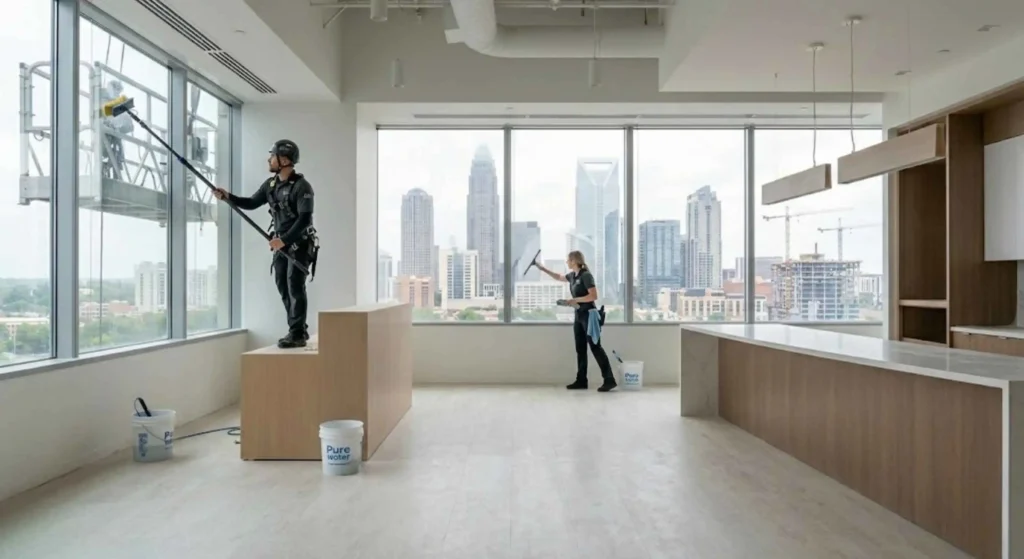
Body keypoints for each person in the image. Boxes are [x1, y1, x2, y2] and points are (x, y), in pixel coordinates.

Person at [212, 140, 318, 348]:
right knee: (282, 284)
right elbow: (251, 203)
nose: (269, 159)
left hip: (299, 244)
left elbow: (304, 220)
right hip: (280, 244)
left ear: (285, 160)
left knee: (295, 286)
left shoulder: (302, 187)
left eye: (273, 156)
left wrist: (285, 240)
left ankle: (297, 332)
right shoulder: (271, 185)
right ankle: (297, 329)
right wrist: (227, 197)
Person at [534, 251, 617, 392]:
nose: (567, 262)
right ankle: (581, 380)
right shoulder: (572, 276)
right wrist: (542, 268)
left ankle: (609, 380)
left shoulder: (586, 275)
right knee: (580, 349)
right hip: (579, 315)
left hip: (589, 316)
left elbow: (593, 296)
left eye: (568, 260)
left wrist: (575, 300)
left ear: (574, 260)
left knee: (596, 347)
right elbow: (559, 277)